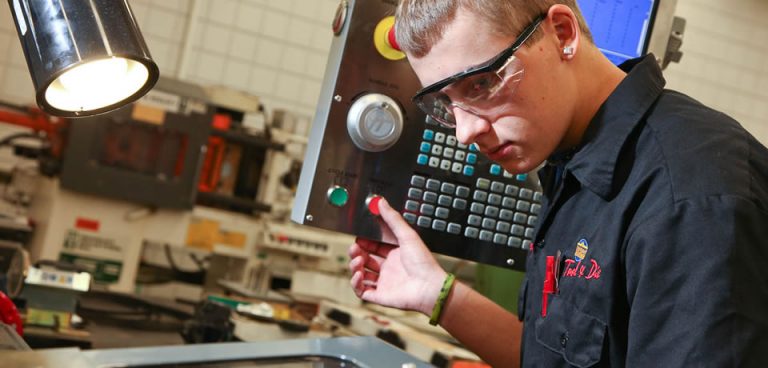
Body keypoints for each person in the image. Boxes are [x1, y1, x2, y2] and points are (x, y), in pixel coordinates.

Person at [347, 0, 768, 367]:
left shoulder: (692, 200)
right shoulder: (572, 163)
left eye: (481, 83)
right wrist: (436, 294)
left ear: (561, 33)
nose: (464, 132)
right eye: (445, 102)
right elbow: (551, 357)